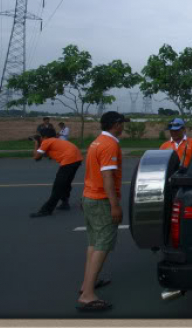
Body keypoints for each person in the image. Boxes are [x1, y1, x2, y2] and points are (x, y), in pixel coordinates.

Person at [76, 111, 130, 312]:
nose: (123, 127)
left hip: (90, 197)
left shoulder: (97, 142)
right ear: (116, 124)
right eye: (122, 123)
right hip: (101, 200)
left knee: (93, 242)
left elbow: (91, 171)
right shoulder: (110, 144)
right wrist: (114, 205)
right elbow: (107, 177)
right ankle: (88, 295)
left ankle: (87, 284)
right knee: (103, 244)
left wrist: (84, 196)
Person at [29, 128, 83, 217]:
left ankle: (46, 210)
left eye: (40, 136)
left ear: (44, 136)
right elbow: (42, 156)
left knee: (58, 186)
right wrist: (39, 144)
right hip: (76, 159)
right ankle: (65, 203)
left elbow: (36, 157)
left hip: (69, 160)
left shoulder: (47, 141)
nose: (39, 138)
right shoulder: (54, 141)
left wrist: (36, 144)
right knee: (65, 183)